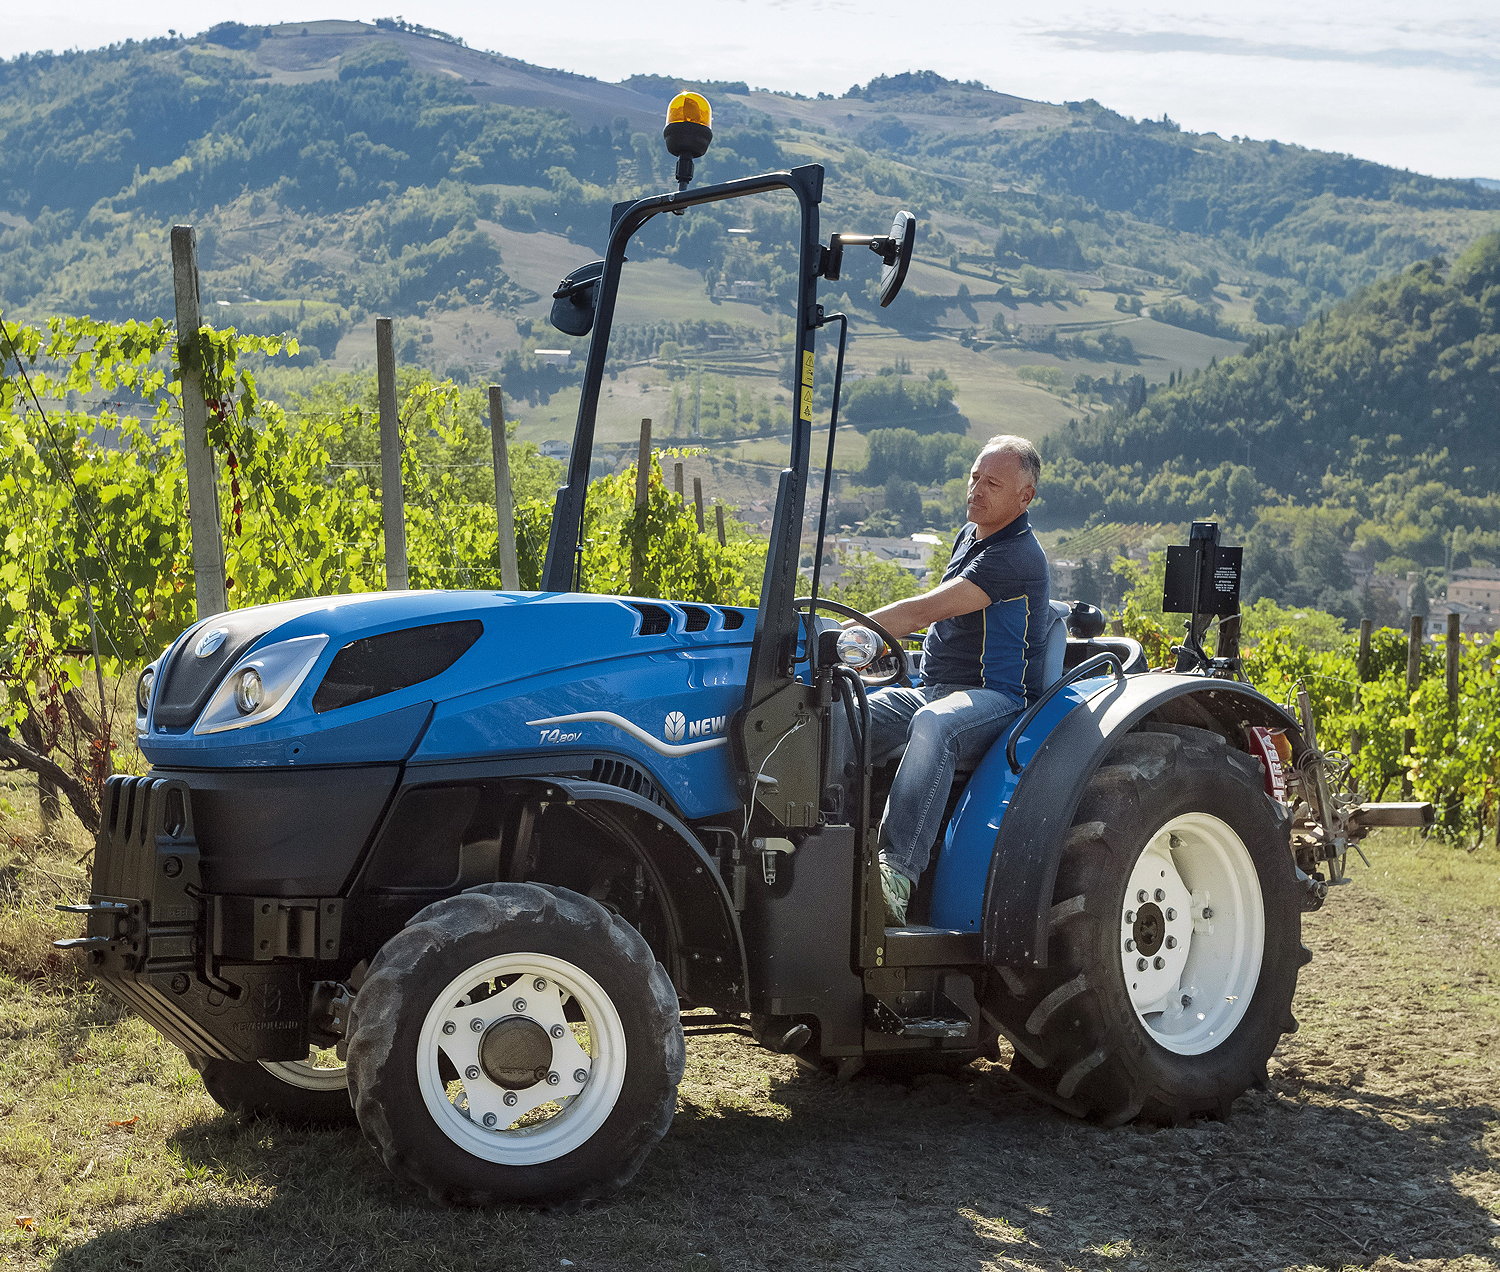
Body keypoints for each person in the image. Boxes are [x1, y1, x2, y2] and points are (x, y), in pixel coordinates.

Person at [859, 434, 1051, 926]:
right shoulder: (972, 535)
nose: (976, 490)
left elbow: (927, 610)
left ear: (1024, 497)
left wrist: (841, 632)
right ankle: (826, 838)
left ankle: (895, 876)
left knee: (934, 725)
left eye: (992, 483)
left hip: (997, 700)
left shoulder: (1016, 556)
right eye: (974, 477)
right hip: (934, 687)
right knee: (840, 709)